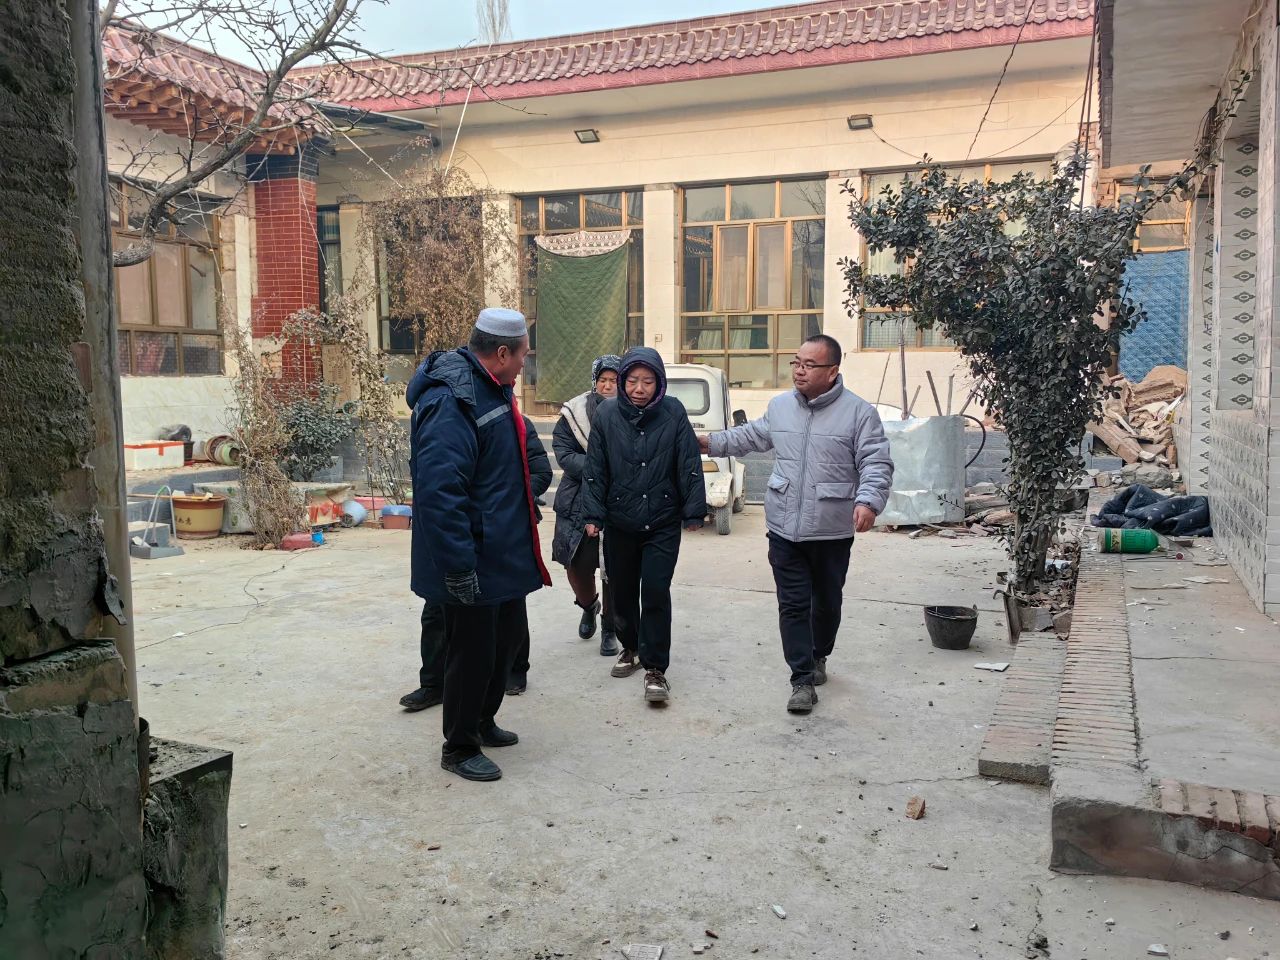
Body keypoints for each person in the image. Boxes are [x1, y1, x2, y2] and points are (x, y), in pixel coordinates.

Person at [700, 334, 893, 715]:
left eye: (809, 365)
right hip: (784, 526)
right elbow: (750, 436)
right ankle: (801, 679)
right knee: (792, 604)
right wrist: (709, 443)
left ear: (832, 371)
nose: (799, 371)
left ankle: (819, 654)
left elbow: (876, 462)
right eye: (796, 363)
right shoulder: (780, 406)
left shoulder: (859, 413)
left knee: (827, 603)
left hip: (831, 528)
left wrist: (868, 501)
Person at [407, 307, 551, 781]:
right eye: (524, 355)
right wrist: (457, 565)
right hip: (471, 556)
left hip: (501, 552)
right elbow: (440, 491)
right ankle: (459, 746)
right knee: (470, 655)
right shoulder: (452, 401)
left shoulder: (493, 389)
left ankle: (483, 721)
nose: (525, 364)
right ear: (503, 353)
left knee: (501, 647)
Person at [581, 347, 707, 703]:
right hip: (620, 519)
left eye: (648, 381)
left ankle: (655, 669)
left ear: (659, 383)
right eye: (633, 381)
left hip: (662, 520)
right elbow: (595, 468)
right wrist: (593, 515)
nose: (639, 389)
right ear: (622, 381)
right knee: (622, 592)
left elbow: (688, 461)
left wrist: (693, 510)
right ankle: (632, 648)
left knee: (655, 590)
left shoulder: (673, 412)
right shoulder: (606, 414)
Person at [400, 415, 551, 711]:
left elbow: (540, 471)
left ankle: (515, 671)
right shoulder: (450, 422)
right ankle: (433, 683)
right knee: (437, 610)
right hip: (455, 532)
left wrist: (513, 500)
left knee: (510, 607)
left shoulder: (517, 424)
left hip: (502, 533)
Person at [550, 354, 622, 658]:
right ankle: (589, 605)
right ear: (595, 382)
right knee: (576, 566)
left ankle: (609, 628)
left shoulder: (631, 411)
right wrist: (597, 467)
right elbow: (564, 452)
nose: (607, 385)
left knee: (614, 569)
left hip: (617, 500)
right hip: (577, 499)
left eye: (614, 380)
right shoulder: (576, 412)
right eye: (603, 380)